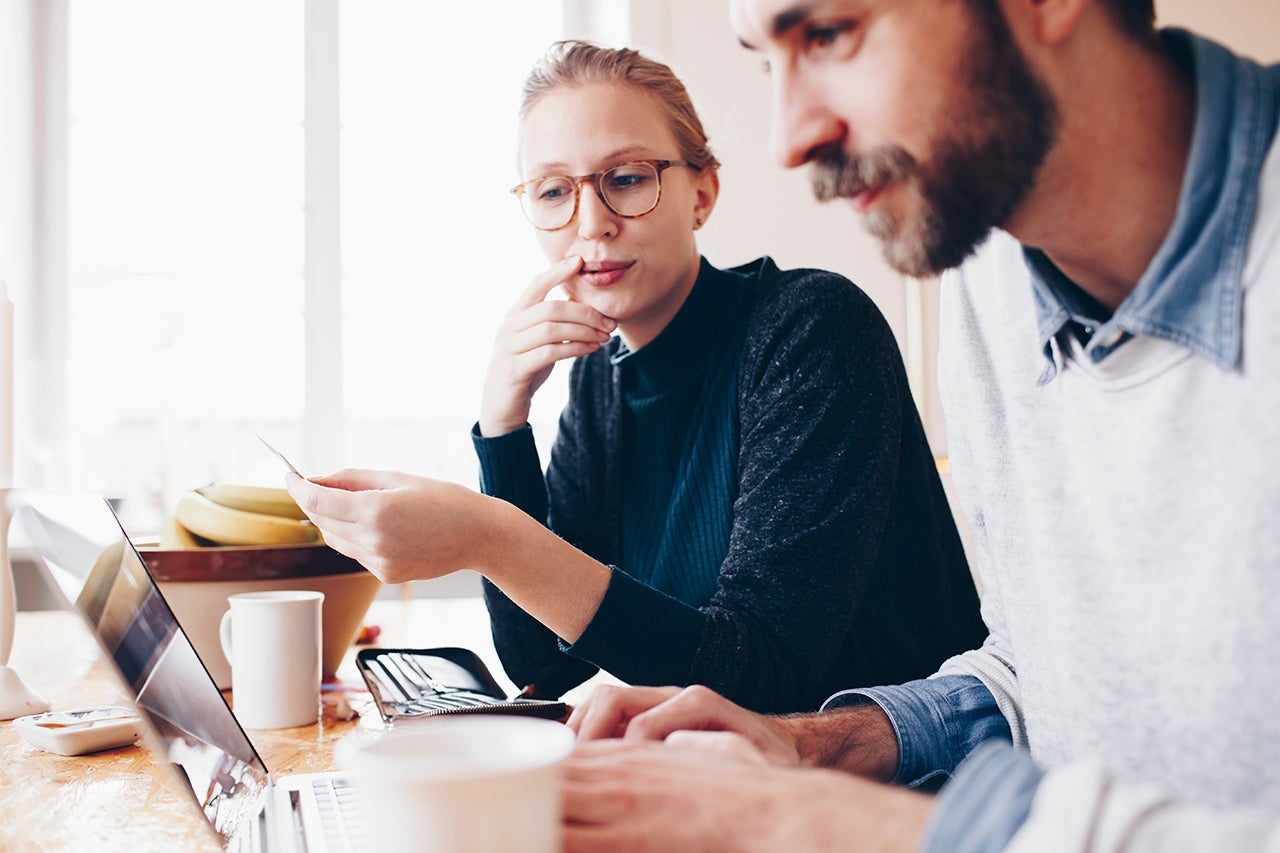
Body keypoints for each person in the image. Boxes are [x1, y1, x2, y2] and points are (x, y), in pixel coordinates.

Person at [554, 0, 1280, 851]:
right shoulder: (990, 272)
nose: (790, 138)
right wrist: (805, 745)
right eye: (766, 60)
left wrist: (853, 824)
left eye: (829, 34)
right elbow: (1026, 673)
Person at [286, 39, 985, 714]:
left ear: (702, 194)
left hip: (896, 799)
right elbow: (543, 663)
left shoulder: (812, 329)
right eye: (554, 190)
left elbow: (759, 679)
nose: (591, 223)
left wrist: (486, 533)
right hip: (720, 795)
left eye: (626, 179)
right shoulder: (603, 381)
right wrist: (503, 428)